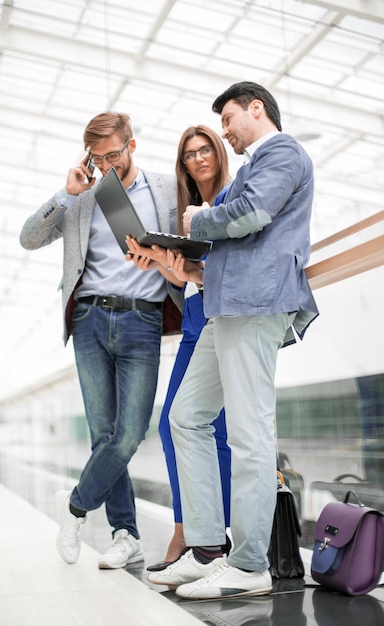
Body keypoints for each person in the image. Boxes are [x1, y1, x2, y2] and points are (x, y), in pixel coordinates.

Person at [148, 81, 319, 598]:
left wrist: (202, 218)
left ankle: (250, 565)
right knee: (185, 417)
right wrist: (175, 260)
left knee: (248, 433)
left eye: (228, 119)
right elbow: (238, 237)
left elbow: (252, 216)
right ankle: (205, 551)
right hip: (226, 308)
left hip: (255, 304)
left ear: (256, 109)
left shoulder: (282, 152)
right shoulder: (253, 166)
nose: (224, 131)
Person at [19, 112, 178, 569]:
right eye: (98, 157)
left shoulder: (166, 189)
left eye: (114, 155)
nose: (107, 165)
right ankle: (125, 533)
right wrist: (65, 194)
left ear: (133, 145)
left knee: (129, 433)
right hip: (89, 317)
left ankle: (74, 507)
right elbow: (29, 239)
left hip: (143, 320)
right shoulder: (82, 193)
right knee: (101, 434)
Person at [125, 125, 232, 572]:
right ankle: (192, 530)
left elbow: (225, 269)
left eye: (206, 149)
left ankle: (210, 535)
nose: (199, 158)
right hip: (193, 318)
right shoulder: (185, 212)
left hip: (221, 316)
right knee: (178, 426)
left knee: (210, 430)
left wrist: (187, 271)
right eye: (190, 153)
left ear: (218, 153)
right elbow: (184, 278)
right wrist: (160, 264)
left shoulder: (232, 199)